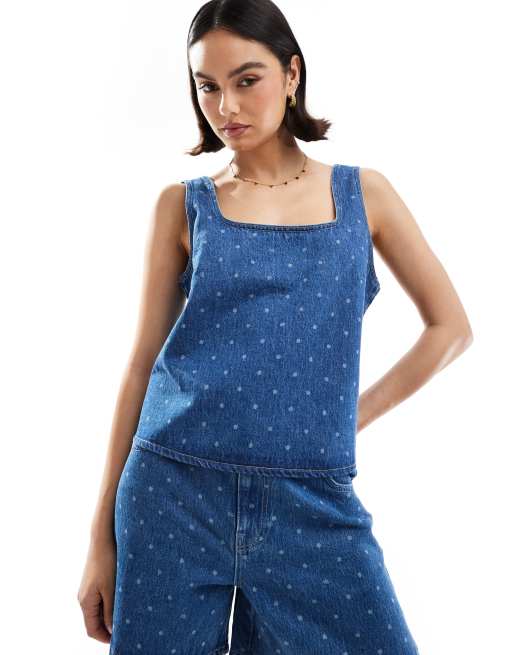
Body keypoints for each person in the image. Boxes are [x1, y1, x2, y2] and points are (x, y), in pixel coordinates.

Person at [77, 1, 473, 653]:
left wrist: (347, 417)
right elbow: (142, 362)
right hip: (172, 493)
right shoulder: (183, 206)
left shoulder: (363, 195)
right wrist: (100, 538)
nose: (225, 105)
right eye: (207, 86)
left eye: (247, 79)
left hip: (311, 497)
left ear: (292, 74)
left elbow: (449, 327)